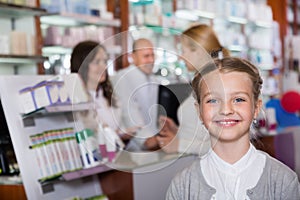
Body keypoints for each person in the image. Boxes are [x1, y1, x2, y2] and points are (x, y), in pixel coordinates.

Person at [166, 57, 300, 199]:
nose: (226, 110)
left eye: (238, 99)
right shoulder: (182, 186)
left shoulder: (283, 181)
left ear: (256, 107)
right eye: (213, 100)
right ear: (199, 111)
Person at [155, 24, 230, 155]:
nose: (180, 57)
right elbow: (203, 134)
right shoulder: (202, 82)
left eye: (183, 51)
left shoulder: (217, 84)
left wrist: (179, 145)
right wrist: (178, 130)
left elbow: (227, 145)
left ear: (199, 51)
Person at [70, 40, 133, 142]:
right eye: (96, 62)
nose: (103, 67)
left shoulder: (110, 97)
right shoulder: (75, 100)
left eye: (104, 61)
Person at [111, 38, 160, 150]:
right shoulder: (122, 77)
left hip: (154, 142)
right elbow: (129, 113)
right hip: (134, 144)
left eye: (152, 55)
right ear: (133, 57)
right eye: (146, 56)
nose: (151, 60)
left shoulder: (154, 79)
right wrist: (146, 139)